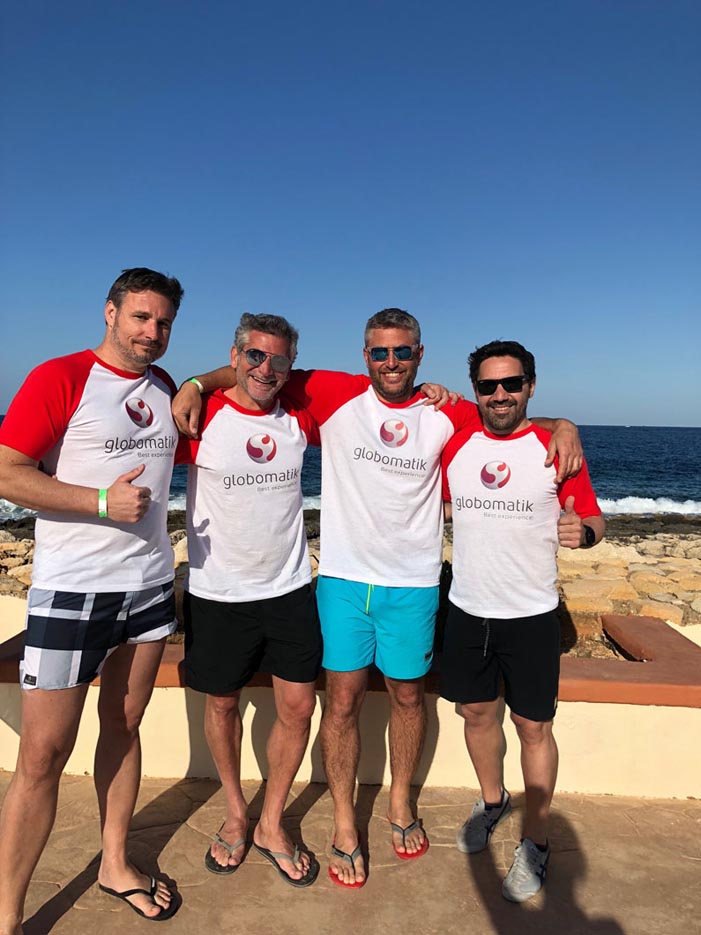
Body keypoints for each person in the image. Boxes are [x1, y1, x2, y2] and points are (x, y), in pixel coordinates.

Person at [171, 309, 582, 888]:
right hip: (341, 581)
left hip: (413, 584)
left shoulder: (444, 411)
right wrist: (195, 383)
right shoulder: (332, 394)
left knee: (408, 698)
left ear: (419, 354)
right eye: (380, 352)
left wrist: (563, 423)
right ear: (365, 356)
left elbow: (506, 416)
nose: (392, 362)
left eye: (403, 351)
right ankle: (344, 824)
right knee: (339, 702)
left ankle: (400, 804)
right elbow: (256, 372)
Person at [0, 268, 184, 931]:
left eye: (163, 322)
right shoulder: (61, 376)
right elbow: (7, 471)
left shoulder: (166, 386)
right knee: (42, 757)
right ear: (110, 312)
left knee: (124, 726)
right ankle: (7, 916)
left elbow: (217, 386)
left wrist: (202, 381)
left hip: (150, 587)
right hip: (72, 592)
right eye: (140, 316)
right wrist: (101, 501)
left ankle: (114, 863)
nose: (152, 332)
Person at [440, 339, 605, 903]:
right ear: (476, 391)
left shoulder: (555, 448)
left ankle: (535, 840)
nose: (500, 395)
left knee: (533, 728)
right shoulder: (456, 442)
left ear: (530, 386)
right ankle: (492, 802)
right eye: (488, 386)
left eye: (511, 383)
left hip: (532, 615)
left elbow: (595, 518)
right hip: (467, 609)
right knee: (476, 714)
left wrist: (583, 534)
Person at [177, 314, 321, 887]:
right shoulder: (200, 415)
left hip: (289, 588)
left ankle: (271, 822)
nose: (266, 368)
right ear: (234, 356)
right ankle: (236, 813)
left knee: (299, 708)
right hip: (218, 592)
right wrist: (194, 383)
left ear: (291, 366)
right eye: (254, 356)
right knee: (221, 706)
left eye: (278, 359)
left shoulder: (301, 416)